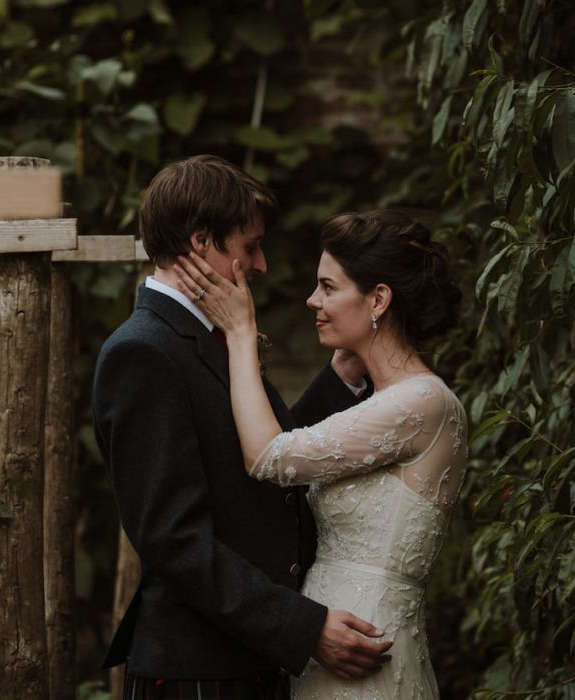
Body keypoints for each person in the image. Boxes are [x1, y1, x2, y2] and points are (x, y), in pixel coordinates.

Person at [92, 155, 393, 700]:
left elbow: (269, 456)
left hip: (248, 660)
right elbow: (173, 540)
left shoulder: (211, 333)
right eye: (250, 247)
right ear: (201, 241)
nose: (261, 265)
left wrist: (340, 378)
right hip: (198, 671)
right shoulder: (143, 352)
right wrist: (302, 627)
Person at [173, 209, 468, 699]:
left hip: (366, 656)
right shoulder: (384, 401)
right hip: (326, 652)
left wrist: (241, 334)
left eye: (328, 287)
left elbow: (268, 456)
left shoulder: (421, 402)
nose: (313, 300)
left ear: (378, 299)